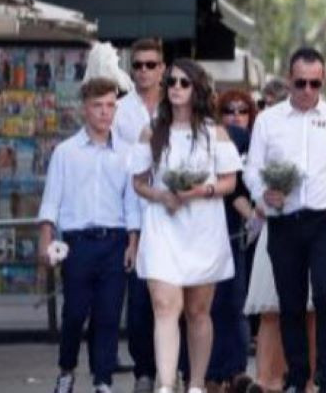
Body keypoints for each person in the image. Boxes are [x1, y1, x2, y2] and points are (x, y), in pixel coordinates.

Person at [245, 47, 326, 393]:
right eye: (300, 83)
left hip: (325, 220)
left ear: (323, 81)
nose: (307, 90)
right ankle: (297, 376)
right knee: (289, 302)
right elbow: (253, 169)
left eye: (314, 84)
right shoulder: (268, 120)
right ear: (290, 79)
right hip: (284, 220)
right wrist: (262, 196)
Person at [126, 58, 242, 393]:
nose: (176, 88)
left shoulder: (213, 132)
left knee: (197, 311)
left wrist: (198, 191)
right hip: (163, 222)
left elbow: (229, 182)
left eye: (183, 83)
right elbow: (138, 182)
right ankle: (165, 385)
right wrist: (161, 196)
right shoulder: (152, 131)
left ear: (197, 89)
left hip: (202, 226)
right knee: (164, 306)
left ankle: (194, 384)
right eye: (172, 82)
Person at [39, 77, 142, 393]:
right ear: (85, 109)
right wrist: (46, 240)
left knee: (109, 315)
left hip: (114, 241)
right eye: (98, 106)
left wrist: (132, 243)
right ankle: (67, 370)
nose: (105, 112)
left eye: (111, 105)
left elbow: (132, 203)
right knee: (74, 314)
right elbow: (51, 200)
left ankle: (102, 380)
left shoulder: (127, 153)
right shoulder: (66, 152)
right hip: (77, 243)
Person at [192, 88, 255, 391]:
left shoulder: (251, 138)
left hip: (243, 228)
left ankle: (235, 370)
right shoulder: (211, 135)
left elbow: (243, 187)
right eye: (229, 110)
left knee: (235, 303)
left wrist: (257, 215)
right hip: (208, 227)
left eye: (243, 110)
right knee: (206, 305)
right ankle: (209, 374)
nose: (236, 116)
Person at [118, 38, 170, 393]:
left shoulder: (177, 105)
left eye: (151, 64)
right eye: (137, 65)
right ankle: (144, 371)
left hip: (173, 212)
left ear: (162, 68)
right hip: (132, 209)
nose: (144, 71)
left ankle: (174, 369)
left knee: (172, 297)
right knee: (138, 300)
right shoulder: (119, 111)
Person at [244, 84, 289, 392]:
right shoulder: (265, 126)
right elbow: (252, 172)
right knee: (270, 310)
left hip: (312, 224)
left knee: (307, 311)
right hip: (272, 224)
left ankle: (302, 378)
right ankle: (264, 381)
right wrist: (261, 198)